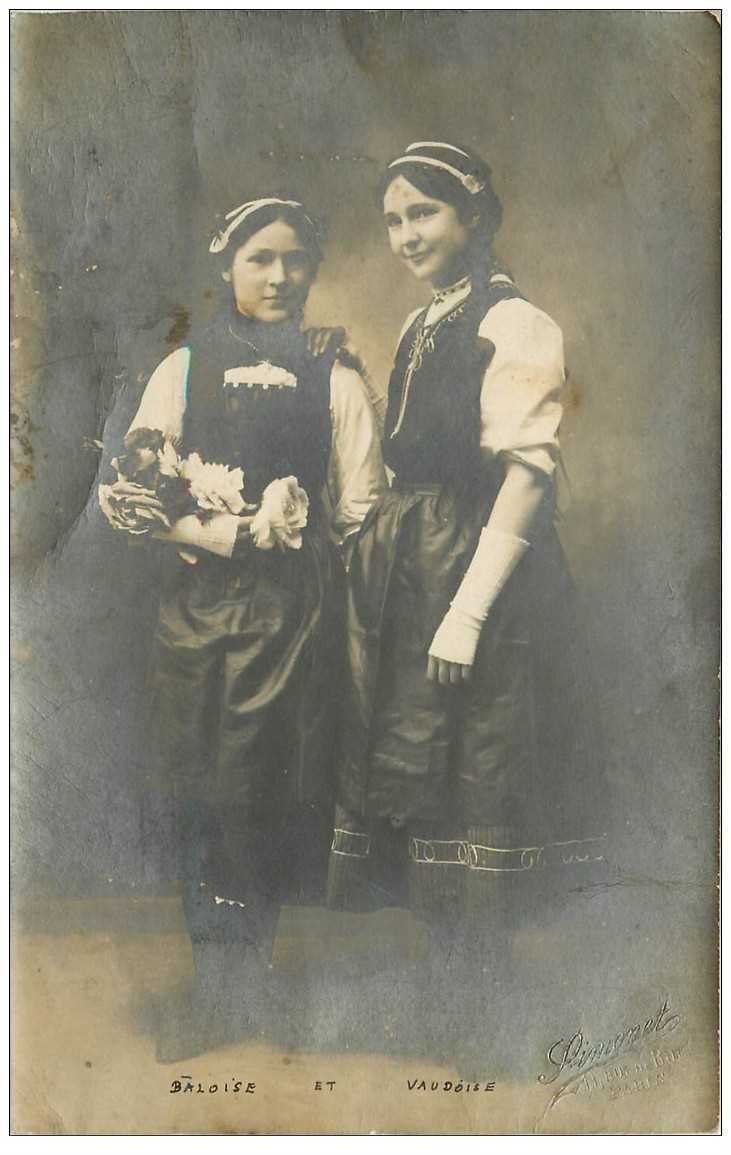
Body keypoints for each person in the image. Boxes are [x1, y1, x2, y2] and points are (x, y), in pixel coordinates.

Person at [99, 196, 386, 1060]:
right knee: (198, 786)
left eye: (297, 259)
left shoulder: (333, 375)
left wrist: (319, 569)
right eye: (261, 258)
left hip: (291, 617)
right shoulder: (183, 369)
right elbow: (133, 495)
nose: (280, 276)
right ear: (227, 264)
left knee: (267, 790)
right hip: (197, 610)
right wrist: (229, 531)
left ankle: (251, 974)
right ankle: (210, 981)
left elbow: (362, 504)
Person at [327, 142, 609, 1020]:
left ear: (472, 218)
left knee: (476, 765)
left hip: (478, 566)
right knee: (422, 767)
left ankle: (480, 1016)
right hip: (412, 566)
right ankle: (449, 996)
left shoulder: (514, 322)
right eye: (392, 221)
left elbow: (526, 476)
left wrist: (467, 611)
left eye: (423, 214)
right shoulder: (422, 321)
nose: (404, 235)